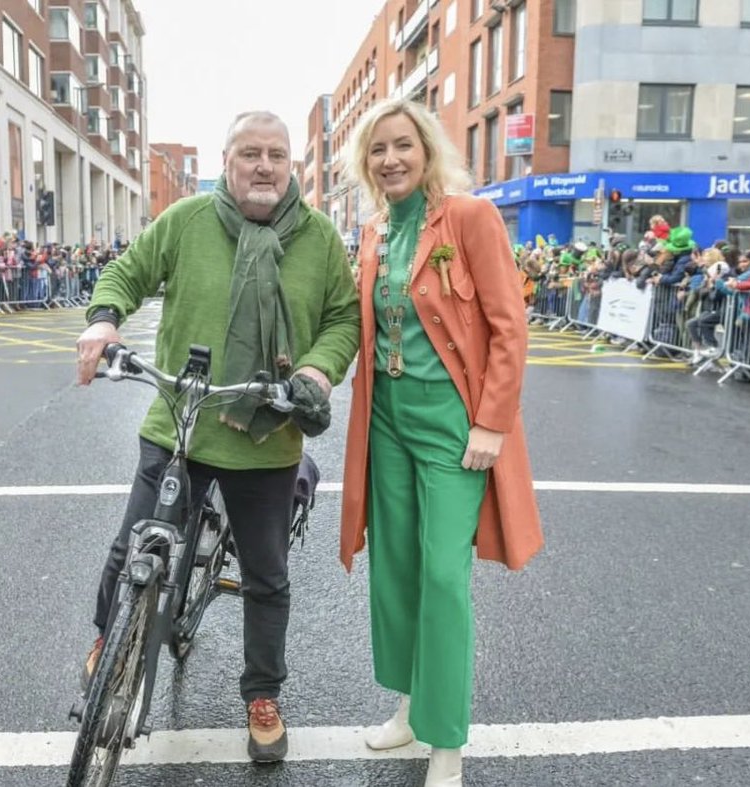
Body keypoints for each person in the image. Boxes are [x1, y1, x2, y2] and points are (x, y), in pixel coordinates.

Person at [75, 110, 360, 763]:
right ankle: (105, 637)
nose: (264, 166)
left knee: (266, 576)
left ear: (291, 165)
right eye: (250, 153)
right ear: (227, 163)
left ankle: (262, 694)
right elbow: (127, 272)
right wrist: (103, 322)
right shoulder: (186, 221)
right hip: (180, 421)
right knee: (130, 548)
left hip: (267, 434)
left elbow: (343, 318)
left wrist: (316, 368)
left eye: (276, 155)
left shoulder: (317, 238)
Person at [337, 98, 543, 787]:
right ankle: (406, 705)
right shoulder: (371, 232)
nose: (390, 159)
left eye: (402, 145)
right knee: (394, 567)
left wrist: (491, 420)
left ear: (426, 150)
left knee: (444, 578)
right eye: (377, 150)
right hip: (387, 421)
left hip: (453, 425)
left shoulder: (470, 217)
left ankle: (447, 741)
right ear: (364, 163)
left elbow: (508, 326)